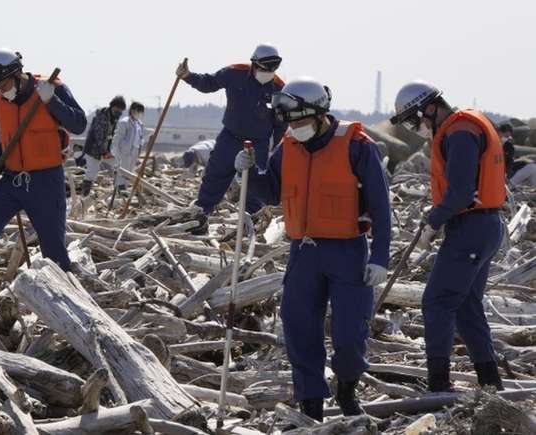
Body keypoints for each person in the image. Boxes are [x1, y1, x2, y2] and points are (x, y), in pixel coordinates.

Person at [236, 77, 391, 420]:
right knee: (299, 329)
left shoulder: (357, 146)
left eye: (300, 120)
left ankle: (347, 388)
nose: (294, 128)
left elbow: (381, 206)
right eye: (289, 122)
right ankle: (311, 409)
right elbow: (272, 190)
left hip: (348, 252)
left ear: (320, 114)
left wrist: (381, 256)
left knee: (350, 335)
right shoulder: (288, 145)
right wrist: (247, 173)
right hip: (303, 253)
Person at [391, 80, 506, 392]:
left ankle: (439, 383)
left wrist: (433, 222)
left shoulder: (460, 132)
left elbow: (460, 192)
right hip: (485, 226)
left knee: (437, 302)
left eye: (414, 121)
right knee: (467, 305)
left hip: (471, 228)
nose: (415, 128)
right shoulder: (465, 126)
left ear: (429, 108)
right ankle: (490, 382)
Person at [0, 47, 86, 287]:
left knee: (53, 249)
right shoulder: (1, 101)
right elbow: (3, 145)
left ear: (17, 74)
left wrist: (51, 100)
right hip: (11, 180)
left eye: (2, 84)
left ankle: (68, 294)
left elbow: (79, 123)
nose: (0, 90)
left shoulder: (52, 88)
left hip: (46, 181)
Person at [176, 43, 288, 234]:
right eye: (263, 67)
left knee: (255, 188)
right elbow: (209, 83)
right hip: (230, 138)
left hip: (257, 145)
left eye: (272, 69)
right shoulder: (235, 73)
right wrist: (187, 76)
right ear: (254, 63)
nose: (267, 72)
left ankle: (248, 228)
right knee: (214, 177)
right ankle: (200, 219)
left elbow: (281, 124)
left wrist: (274, 149)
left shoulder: (279, 88)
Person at [81, 96, 126, 196]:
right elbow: (98, 136)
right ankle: (84, 195)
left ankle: (121, 192)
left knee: (119, 165)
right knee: (91, 172)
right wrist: (104, 152)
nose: (119, 112)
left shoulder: (114, 119)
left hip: (107, 151)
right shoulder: (102, 116)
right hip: (94, 150)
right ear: (113, 107)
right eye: (118, 109)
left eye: (121, 110)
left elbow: (114, 136)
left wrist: (113, 151)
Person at [112, 101, 146, 191]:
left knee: (130, 170)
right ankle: (119, 188)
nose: (139, 114)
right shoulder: (125, 122)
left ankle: (124, 188)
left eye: (140, 112)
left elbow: (140, 136)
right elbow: (118, 136)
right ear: (132, 111)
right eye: (138, 112)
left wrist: (140, 145)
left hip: (135, 149)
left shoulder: (140, 124)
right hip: (125, 149)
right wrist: (116, 149)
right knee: (123, 169)